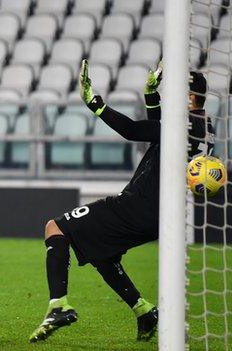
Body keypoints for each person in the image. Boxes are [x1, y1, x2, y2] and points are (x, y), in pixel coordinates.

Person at [28, 60, 214, 343]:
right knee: (103, 255)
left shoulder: (183, 124)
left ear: (189, 97)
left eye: (175, 91)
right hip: (160, 214)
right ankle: (144, 311)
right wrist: (151, 95)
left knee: (56, 227)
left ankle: (58, 305)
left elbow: (133, 130)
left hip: (137, 207)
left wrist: (95, 103)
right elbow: (159, 132)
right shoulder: (204, 126)